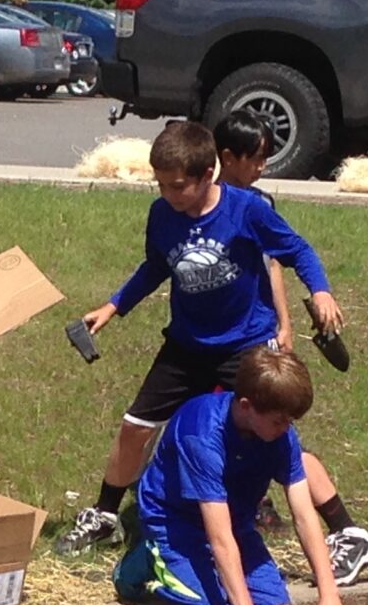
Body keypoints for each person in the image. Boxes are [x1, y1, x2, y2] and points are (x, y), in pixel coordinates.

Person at [56, 122, 334, 567]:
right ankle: (106, 515)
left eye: (177, 186)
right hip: (187, 345)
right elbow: (155, 267)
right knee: (135, 426)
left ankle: (334, 525)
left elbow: (297, 249)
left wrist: (320, 291)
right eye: (161, 185)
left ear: (208, 174)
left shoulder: (246, 210)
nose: (168, 194)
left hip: (244, 344)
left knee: (271, 429)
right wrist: (113, 307)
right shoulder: (162, 214)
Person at [212, 111, 368, 585]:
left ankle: (347, 531)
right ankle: (256, 507)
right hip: (212, 342)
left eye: (266, 157)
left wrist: (284, 326)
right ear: (226, 158)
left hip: (247, 340)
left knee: (276, 436)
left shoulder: (256, 204)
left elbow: (275, 267)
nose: (263, 165)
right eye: (257, 157)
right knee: (239, 431)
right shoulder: (204, 202)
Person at [112, 348, 355, 605]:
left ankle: (210, 581)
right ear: (246, 406)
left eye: (290, 421)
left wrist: (329, 596)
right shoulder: (202, 436)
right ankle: (141, 565)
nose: (286, 429)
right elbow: (219, 537)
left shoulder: (281, 436)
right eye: (279, 421)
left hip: (237, 522)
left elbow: (305, 515)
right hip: (176, 524)